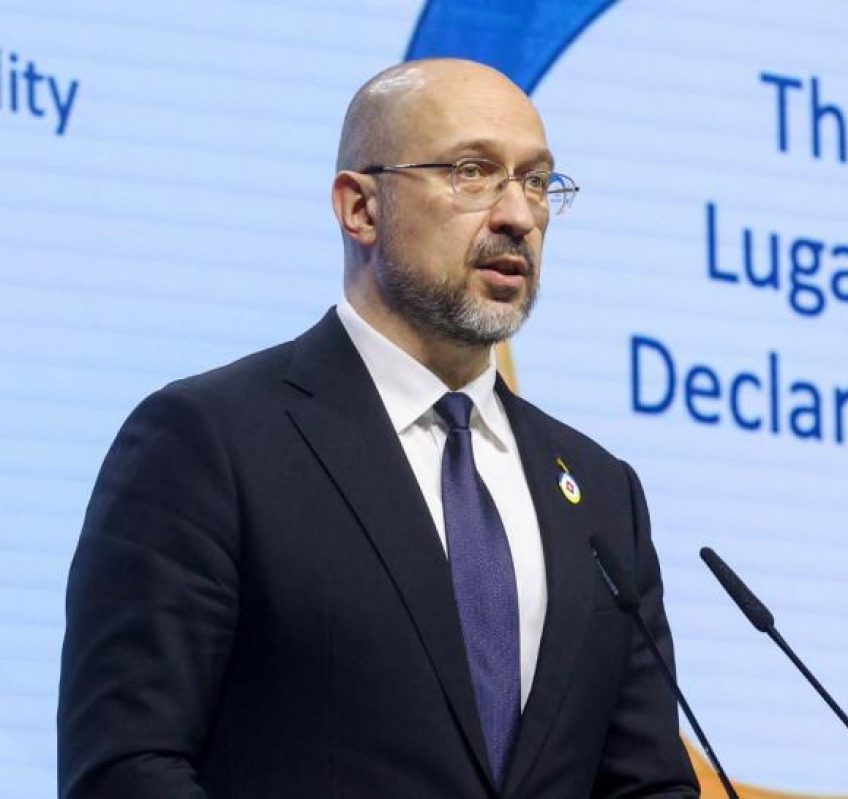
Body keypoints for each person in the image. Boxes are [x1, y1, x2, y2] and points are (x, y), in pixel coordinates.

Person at [58, 59, 700, 798]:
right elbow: (128, 766)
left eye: (535, 180)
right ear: (360, 208)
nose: (518, 216)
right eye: (472, 172)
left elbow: (647, 784)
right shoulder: (211, 443)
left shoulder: (601, 494)